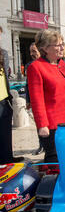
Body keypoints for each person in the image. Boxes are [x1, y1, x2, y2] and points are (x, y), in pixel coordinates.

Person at [27, 30, 65, 163]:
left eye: (62, 43)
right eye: (58, 45)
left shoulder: (61, 63)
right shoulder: (35, 67)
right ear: (45, 48)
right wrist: (42, 125)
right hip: (51, 126)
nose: (62, 47)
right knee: (54, 160)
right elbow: (36, 99)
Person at [0, 26, 23, 164]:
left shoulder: (3, 54)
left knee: (5, 133)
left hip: (3, 100)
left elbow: (6, 78)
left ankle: (7, 158)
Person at [25, 42, 43, 156]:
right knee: (39, 124)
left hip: (46, 100)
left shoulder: (47, 64)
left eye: (34, 51)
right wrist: (28, 100)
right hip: (35, 100)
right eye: (31, 51)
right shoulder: (29, 65)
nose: (32, 54)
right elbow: (27, 85)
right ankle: (41, 145)